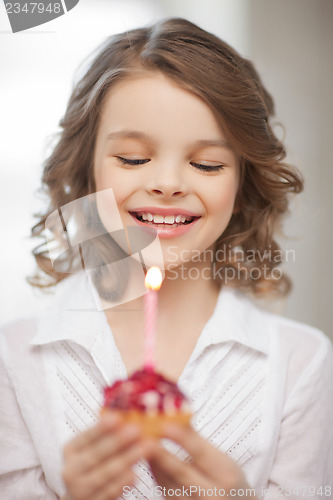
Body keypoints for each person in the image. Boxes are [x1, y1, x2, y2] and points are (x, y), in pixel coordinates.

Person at [0, 17, 332, 500]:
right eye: (134, 159)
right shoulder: (12, 357)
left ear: (242, 186)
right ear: (87, 172)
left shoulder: (302, 362)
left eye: (207, 164)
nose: (169, 183)